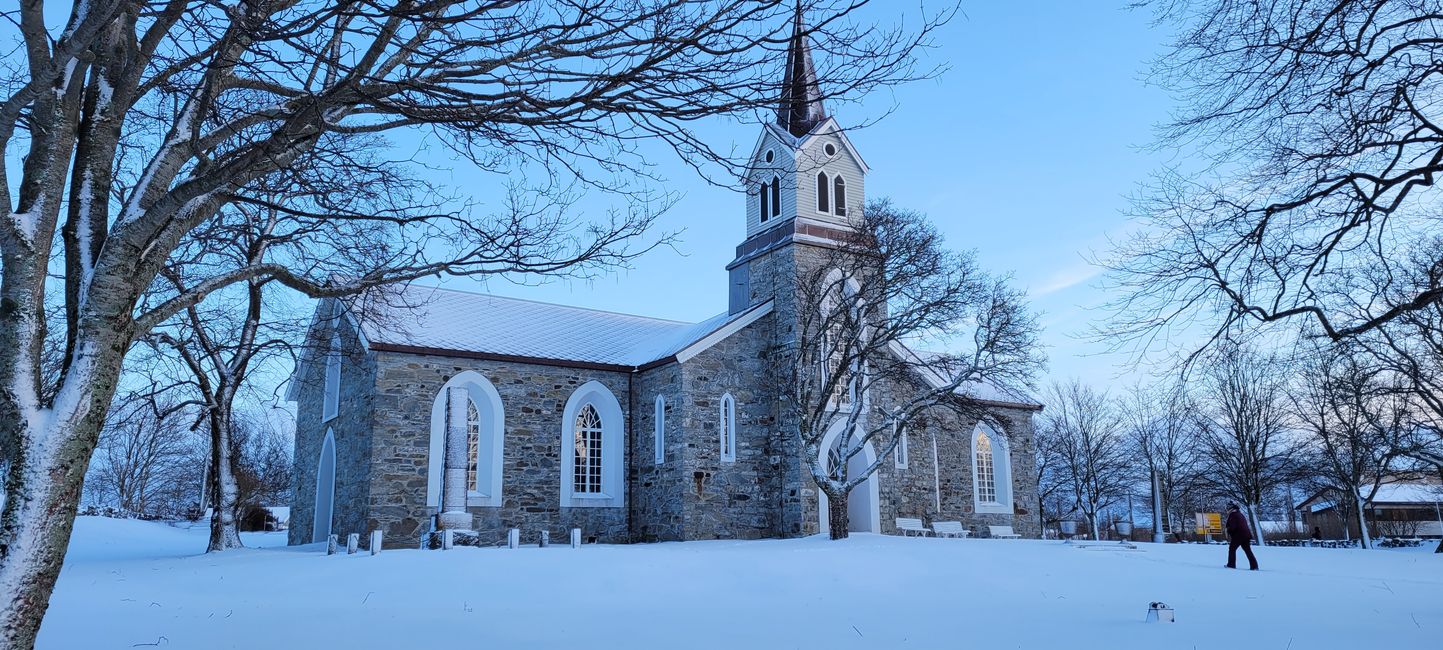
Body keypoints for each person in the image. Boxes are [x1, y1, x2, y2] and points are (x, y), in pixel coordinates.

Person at [1224, 503, 1259, 570]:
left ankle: (1231, 565)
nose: (1227, 509)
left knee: (1232, 549)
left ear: (1231, 508)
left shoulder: (1233, 515)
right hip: (1246, 535)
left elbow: (1233, 527)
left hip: (1239, 535)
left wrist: (1228, 531)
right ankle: (1254, 566)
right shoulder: (1240, 514)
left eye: (1228, 508)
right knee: (1248, 550)